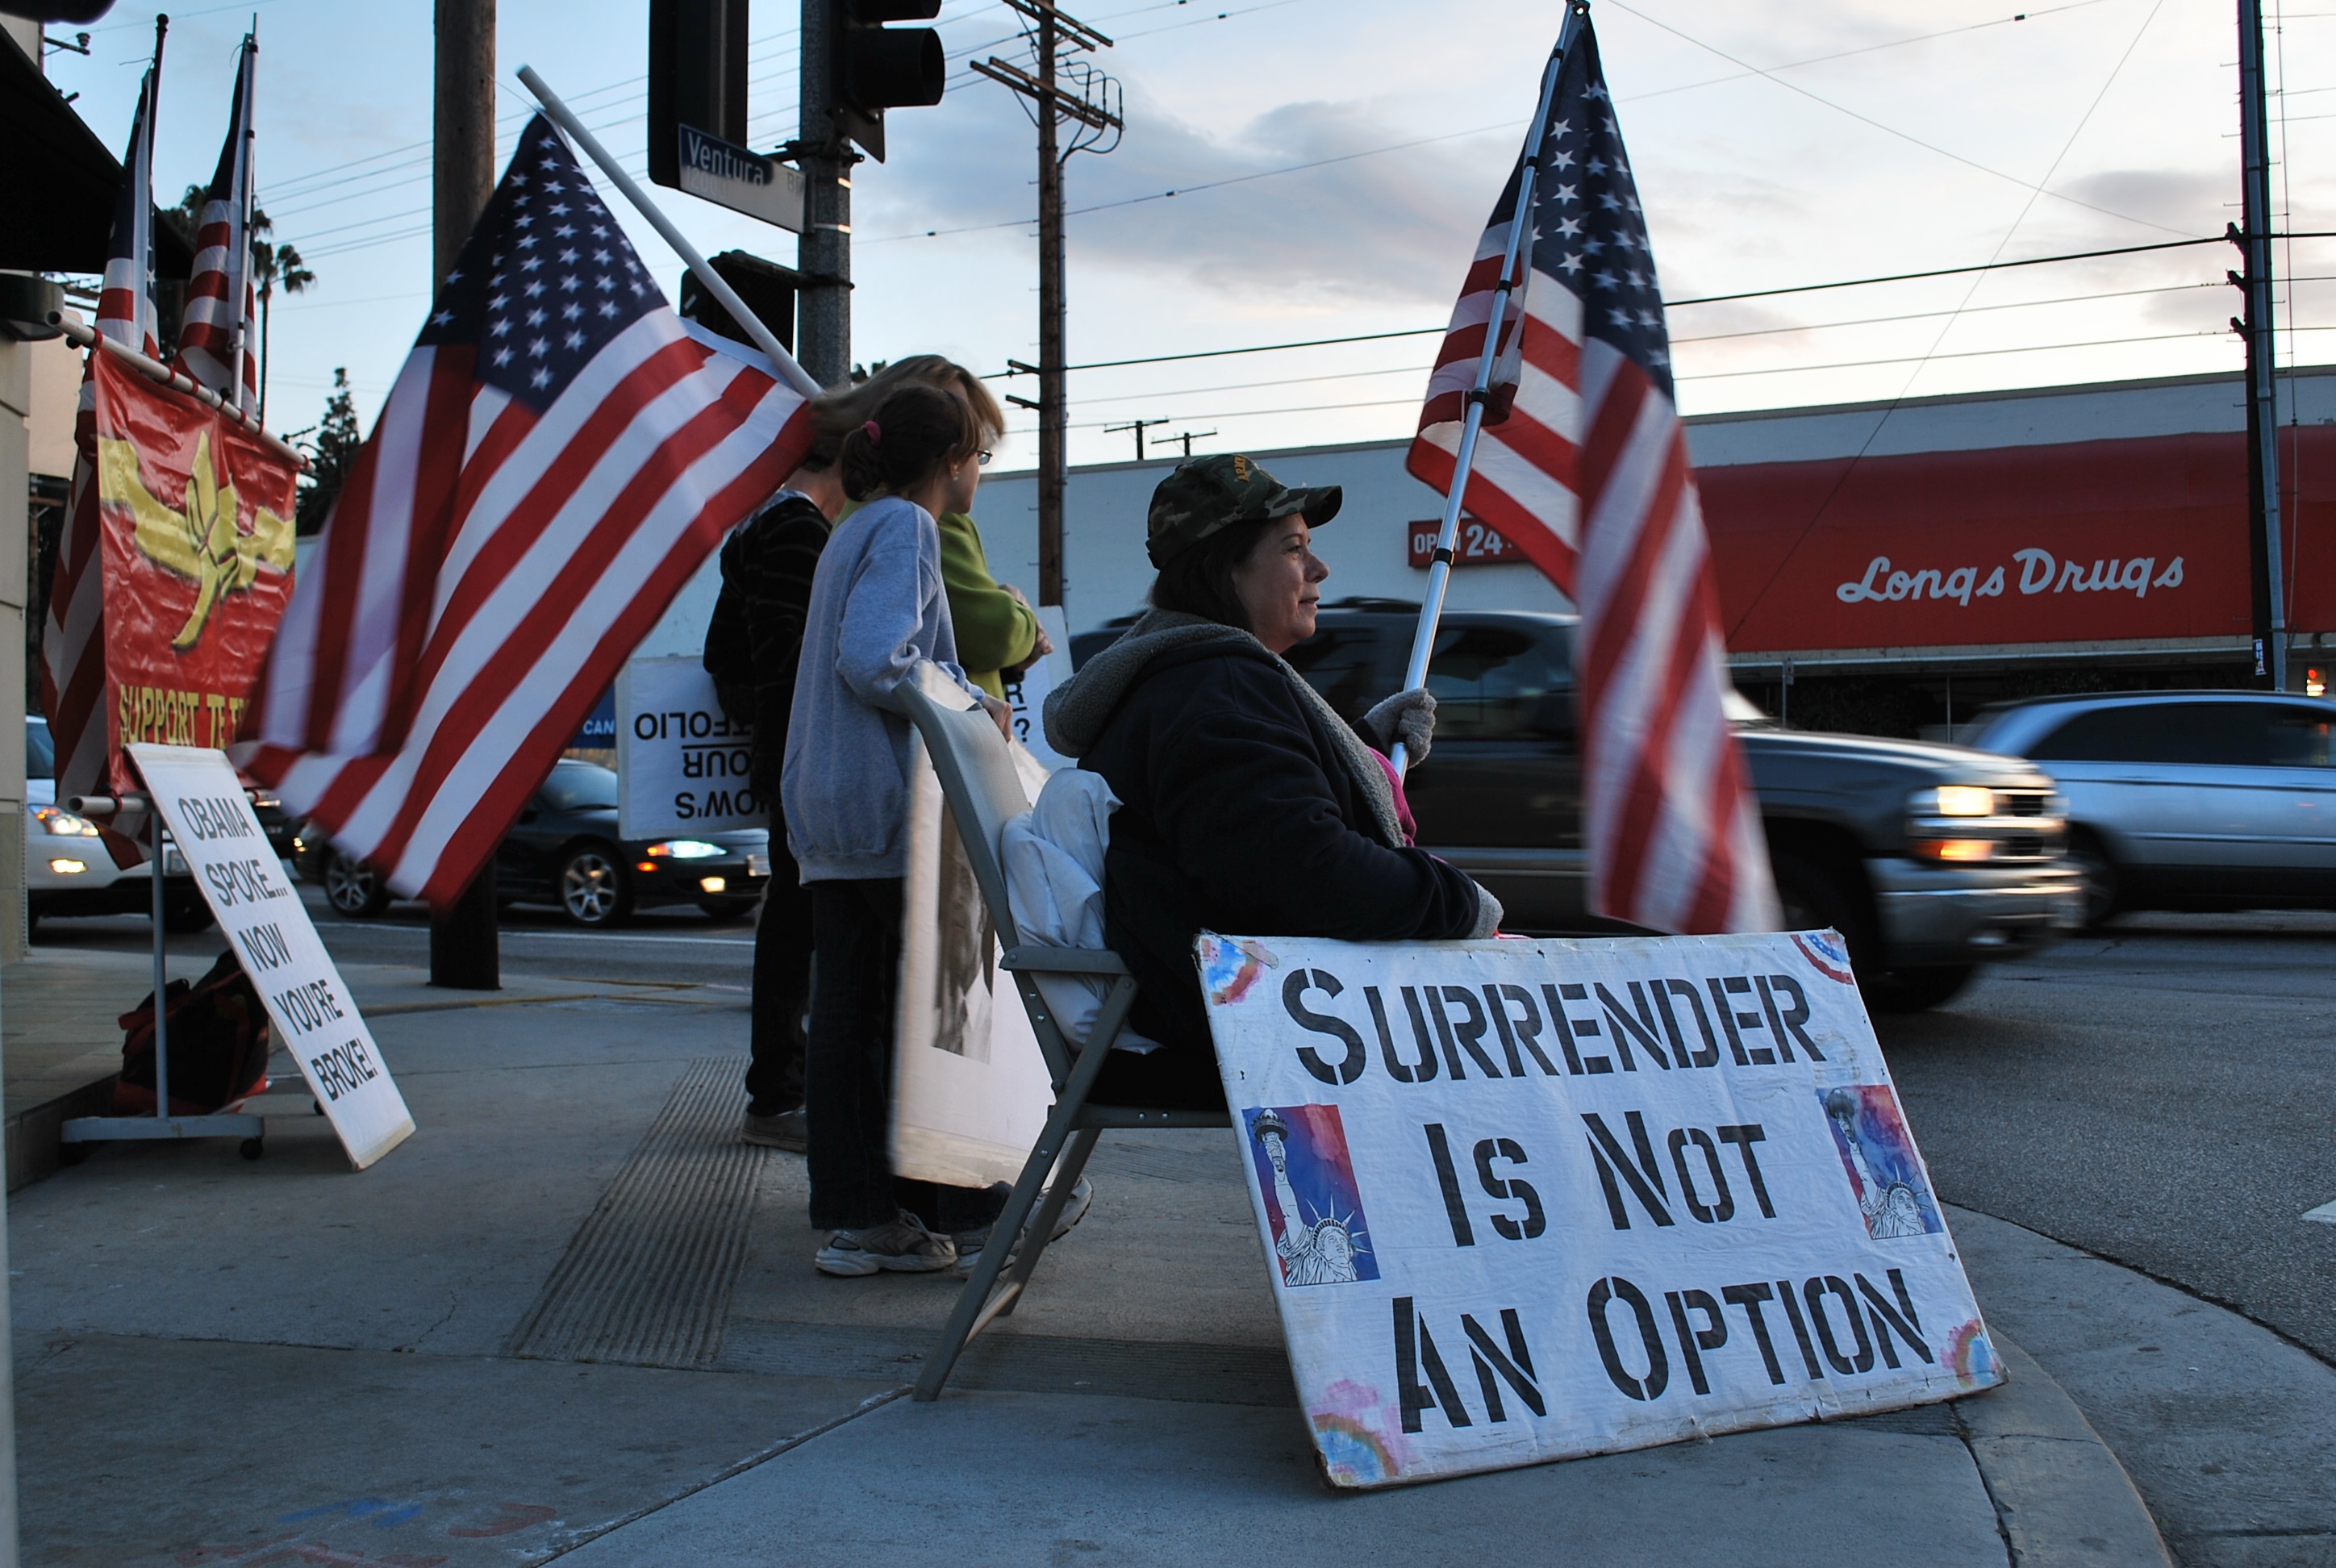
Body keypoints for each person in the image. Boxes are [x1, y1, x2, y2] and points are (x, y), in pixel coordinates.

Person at [1042, 453, 1501, 1110]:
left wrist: (1361, 748)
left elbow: (1253, 817)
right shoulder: (1215, 690)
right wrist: (1460, 904)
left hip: (1234, 1003)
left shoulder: (1194, 683)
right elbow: (1300, 870)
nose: (1320, 569)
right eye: (1293, 549)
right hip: (1253, 1026)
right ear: (1224, 569)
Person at [782, 382, 1016, 1276]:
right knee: (928, 1012)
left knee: (848, 1019)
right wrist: (966, 704)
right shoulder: (908, 530)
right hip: (879, 804)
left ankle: (860, 1219)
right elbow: (876, 658)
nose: (980, 476)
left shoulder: (851, 530)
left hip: (825, 803)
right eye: (980, 460)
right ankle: (958, 1200)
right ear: (953, 465)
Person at [710, 433, 849, 1152]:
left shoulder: (758, 530)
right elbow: (787, 655)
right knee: (804, 935)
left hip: (785, 756)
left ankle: (778, 1095)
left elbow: (723, 656)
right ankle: (781, 1100)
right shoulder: (798, 530)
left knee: (790, 931)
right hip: (809, 758)